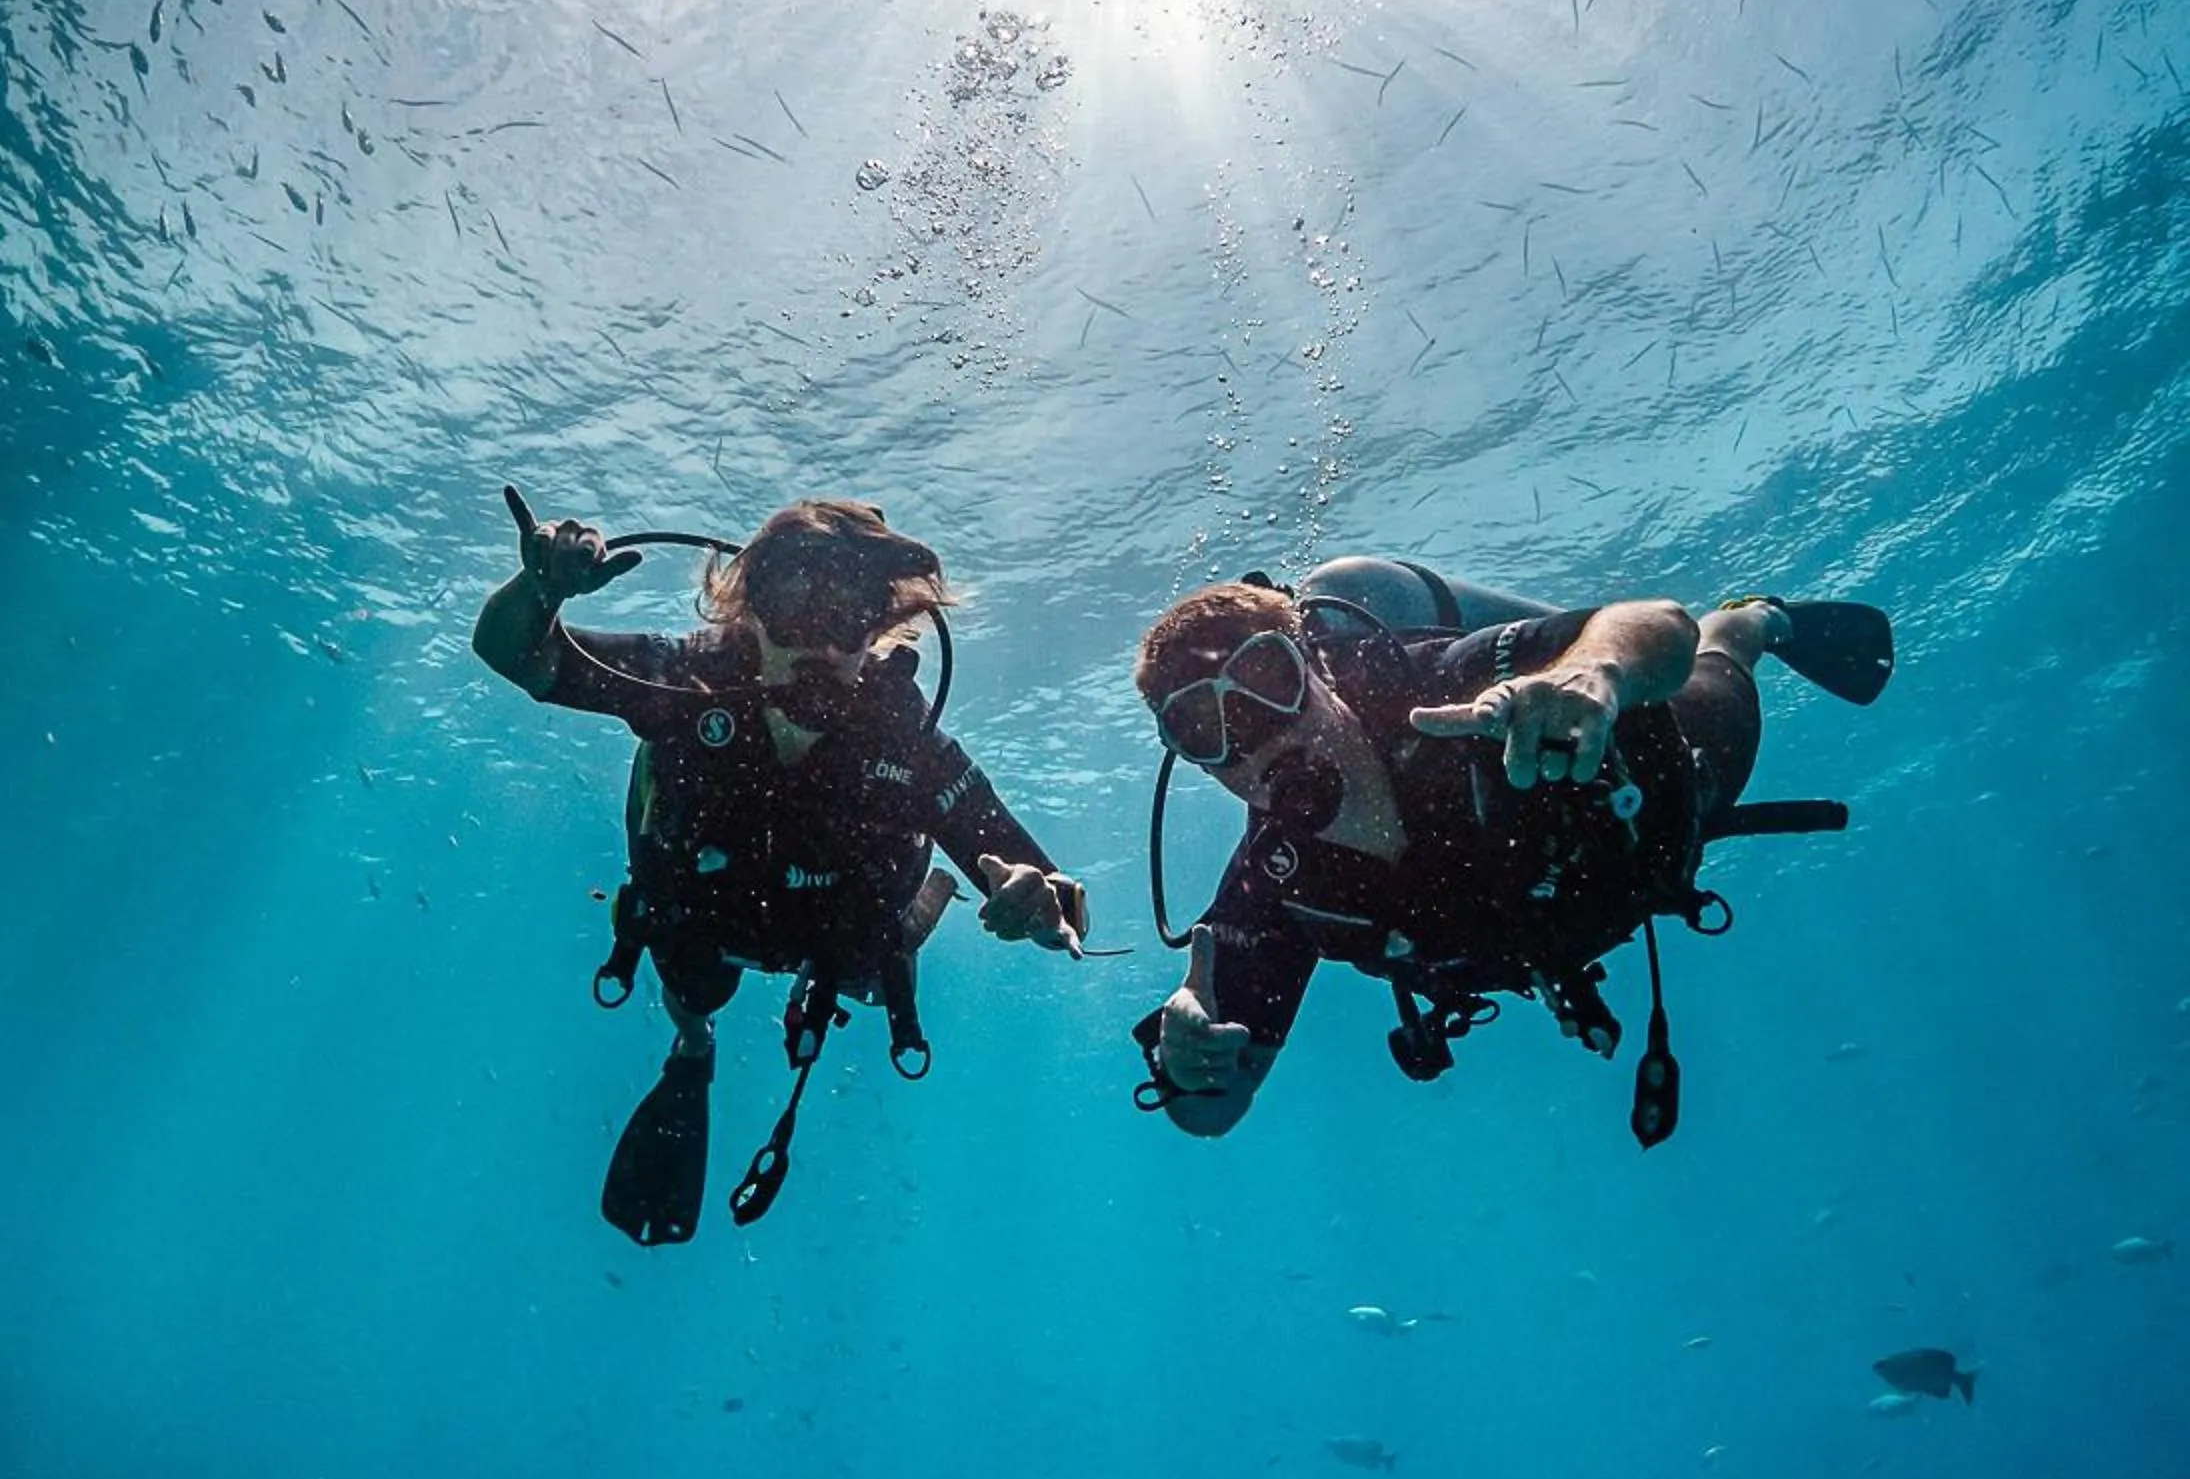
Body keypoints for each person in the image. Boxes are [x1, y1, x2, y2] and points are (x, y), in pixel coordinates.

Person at [474, 491, 1088, 1241]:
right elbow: (514, 653)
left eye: (851, 611)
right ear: (749, 609)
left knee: (867, 970)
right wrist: (538, 592)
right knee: (692, 986)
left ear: (881, 625)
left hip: (835, 932)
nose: (820, 644)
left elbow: (1060, 896)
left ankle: (889, 941)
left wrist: (1042, 903)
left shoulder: (907, 739)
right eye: (797, 603)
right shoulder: (685, 680)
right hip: (703, 914)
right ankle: (694, 1044)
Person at [1130, 560, 1892, 1143]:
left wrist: (1592, 672)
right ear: (1195, 762)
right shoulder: (1275, 885)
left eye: (1267, 679)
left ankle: (1755, 616)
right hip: (1557, 923)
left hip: (1667, 802)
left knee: (1721, 657)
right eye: (1204, 726)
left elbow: (1659, 623)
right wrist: (1191, 1067)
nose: (1257, 734)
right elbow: (1214, 1115)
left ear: (1318, 664)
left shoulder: (1456, 687)